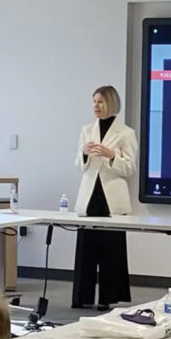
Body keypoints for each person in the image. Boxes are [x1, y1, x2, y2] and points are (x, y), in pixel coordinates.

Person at [72, 86, 138, 310]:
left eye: (100, 102)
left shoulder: (126, 133)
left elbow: (130, 168)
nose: (96, 106)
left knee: (111, 250)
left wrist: (112, 156)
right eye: (94, 102)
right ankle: (82, 297)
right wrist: (84, 153)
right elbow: (79, 165)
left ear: (110, 103)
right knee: (86, 248)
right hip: (90, 195)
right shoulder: (87, 130)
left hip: (112, 197)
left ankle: (107, 298)